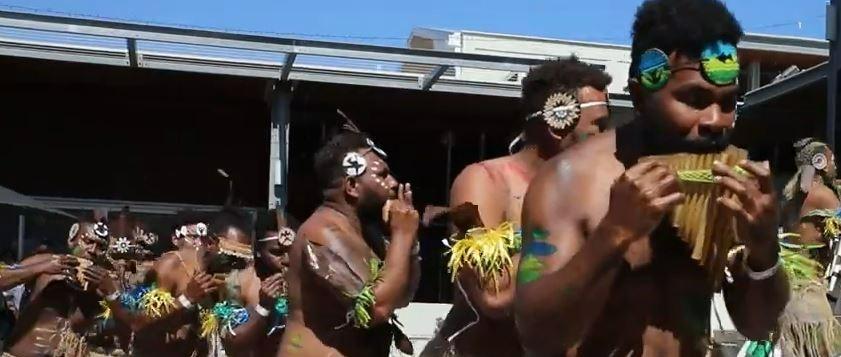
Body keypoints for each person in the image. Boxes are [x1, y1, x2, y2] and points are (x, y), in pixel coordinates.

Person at [514, 1, 789, 356]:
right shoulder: (569, 180)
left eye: (728, 102)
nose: (717, 120)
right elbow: (536, 337)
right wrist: (614, 233)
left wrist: (764, 251)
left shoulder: (732, 180)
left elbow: (759, 326)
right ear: (641, 95)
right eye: (694, 99)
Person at [422, 57, 611, 357]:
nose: (607, 138)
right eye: (600, 126)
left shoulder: (595, 189)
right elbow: (493, 293)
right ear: (558, 122)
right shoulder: (486, 181)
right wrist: (592, 237)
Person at [278, 130, 420, 357]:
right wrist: (402, 236)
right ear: (352, 185)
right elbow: (376, 309)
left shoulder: (368, 233)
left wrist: (406, 242)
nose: (393, 183)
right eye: (383, 176)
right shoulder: (322, 233)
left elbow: (400, 297)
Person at [99, 212, 219, 357]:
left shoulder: (217, 271)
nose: (198, 243)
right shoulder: (169, 265)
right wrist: (186, 299)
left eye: (203, 238)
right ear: (175, 239)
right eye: (193, 237)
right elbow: (140, 323)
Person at [3, 220, 113, 357]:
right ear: (72, 240)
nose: (93, 251)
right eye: (88, 242)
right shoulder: (46, 261)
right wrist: (42, 268)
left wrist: (107, 293)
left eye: (101, 247)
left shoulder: (104, 283)